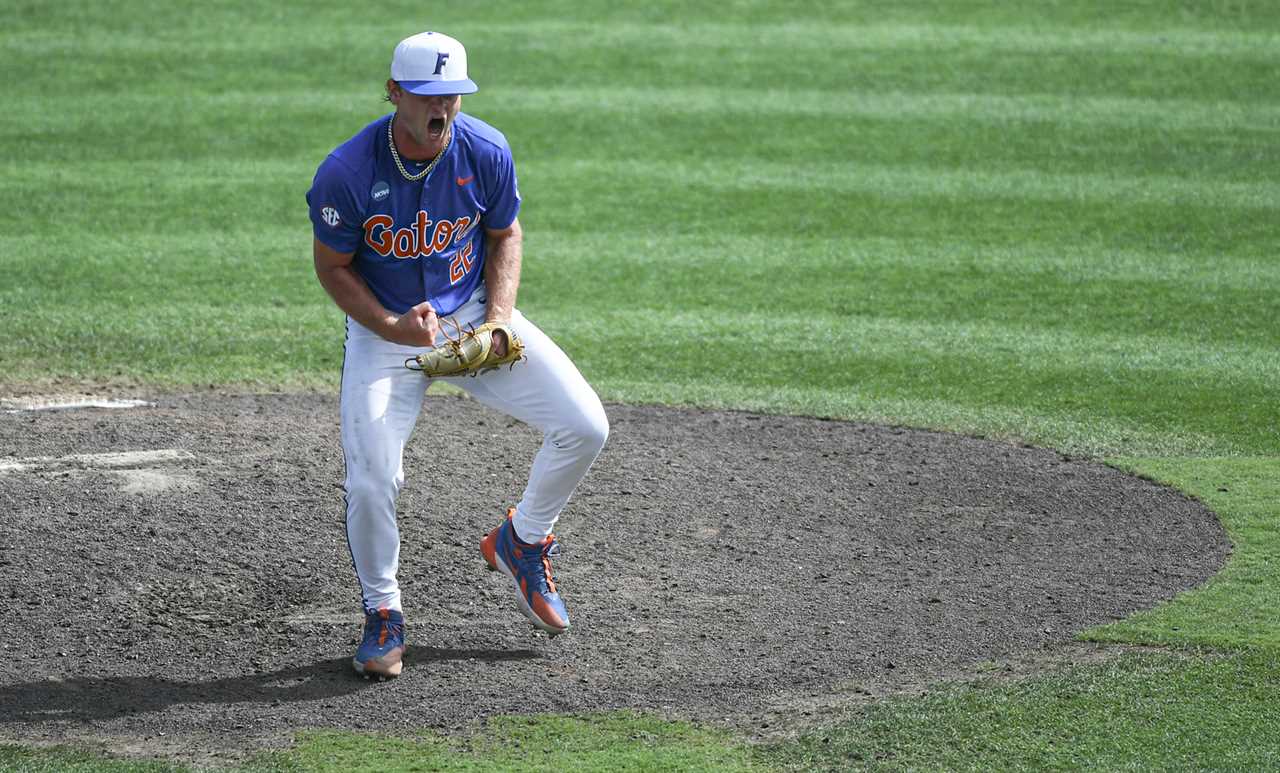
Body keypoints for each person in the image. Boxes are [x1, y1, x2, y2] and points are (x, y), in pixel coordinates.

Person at [306, 31, 609, 680]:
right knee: (372, 476)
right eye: (427, 95)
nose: (442, 107)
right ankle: (383, 612)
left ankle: (522, 540)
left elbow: (506, 235)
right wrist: (391, 322)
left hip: (471, 319)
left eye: (453, 95)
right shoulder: (348, 173)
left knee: (586, 425)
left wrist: (497, 323)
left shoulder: (486, 152)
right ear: (395, 94)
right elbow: (331, 267)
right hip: (387, 338)